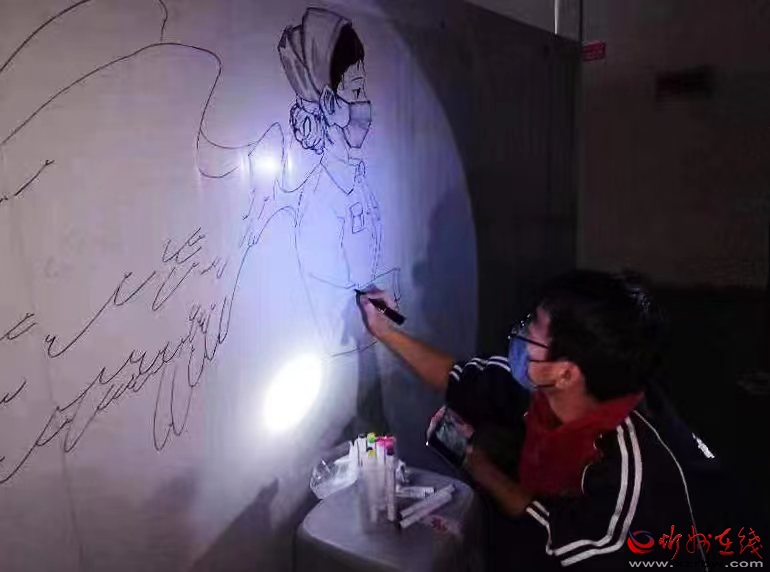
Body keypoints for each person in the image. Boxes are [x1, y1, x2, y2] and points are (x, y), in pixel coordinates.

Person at [358, 270, 736, 570]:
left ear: (566, 373)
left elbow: (556, 542)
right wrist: (385, 330)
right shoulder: (555, 386)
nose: (520, 334)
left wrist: (478, 465)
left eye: (533, 328)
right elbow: (460, 377)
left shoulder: (633, 471)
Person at [278, 8, 398, 356]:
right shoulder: (320, 201)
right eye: (357, 90)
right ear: (331, 103)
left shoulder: (356, 181)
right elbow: (337, 324)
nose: (366, 104)